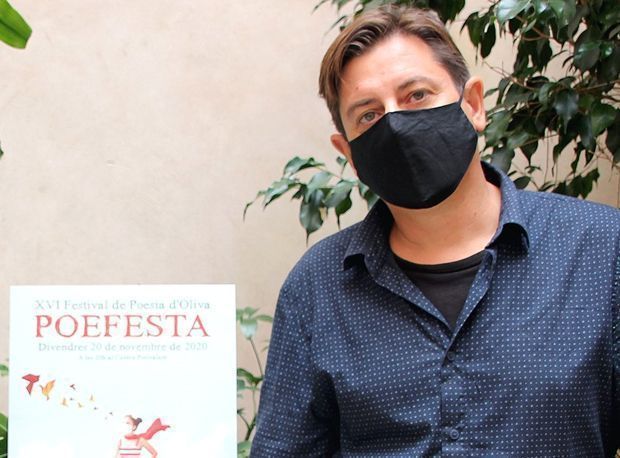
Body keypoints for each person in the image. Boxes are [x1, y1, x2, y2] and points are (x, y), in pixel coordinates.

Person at [250, 4, 620, 457]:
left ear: (473, 105)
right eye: (368, 115)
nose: (396, 125)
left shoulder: (602, 250)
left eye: (417, 95)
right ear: (349, 155)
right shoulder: (317, 286)